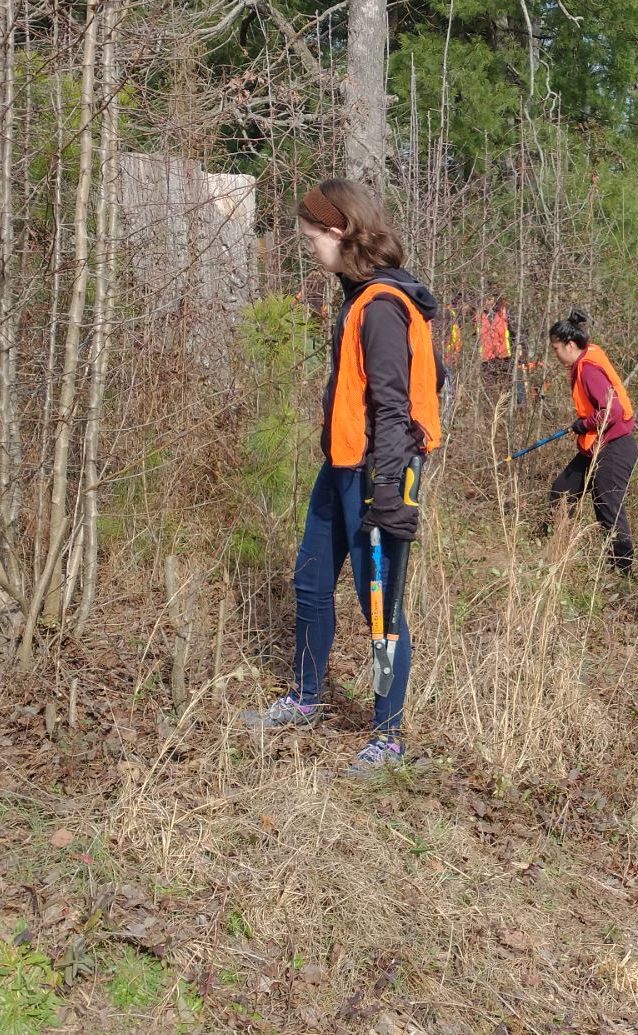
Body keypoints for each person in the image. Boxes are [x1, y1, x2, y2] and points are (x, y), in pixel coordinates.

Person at [246, 180, 444, 775]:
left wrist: (389, 493)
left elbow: (394, 405)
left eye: (311, 238)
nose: (308, 248)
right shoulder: (359, 296)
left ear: (339, 232)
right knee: (310, 582)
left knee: (378, 604)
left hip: (374, 477)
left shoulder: (382, 306)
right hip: (340, 468)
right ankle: (307, 697)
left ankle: (389, 738)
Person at [546, 309, 637, 572]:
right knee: (562, 491)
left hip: (615, 446)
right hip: (596, 444)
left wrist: (583, 424)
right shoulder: (585, 359)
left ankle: (624, 571)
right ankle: (555, 552)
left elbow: (614, 410)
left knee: (608, 508)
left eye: (556, 348)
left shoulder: (587, 370)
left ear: (570, 345)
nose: (556, 354)